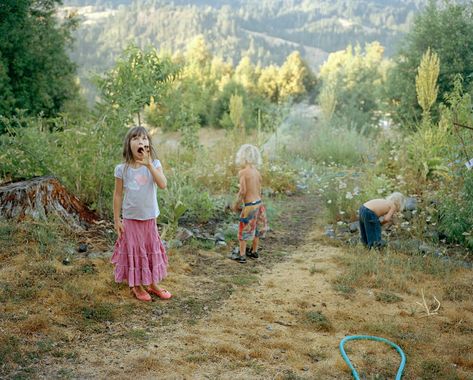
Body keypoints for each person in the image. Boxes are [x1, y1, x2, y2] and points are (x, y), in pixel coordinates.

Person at [111, 125, 172, 301]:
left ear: (148, 145)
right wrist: (117, 219)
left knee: (150, 250)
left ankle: (152, 284)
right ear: (128, 144)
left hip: (149, 217)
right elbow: (117, 195)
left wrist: (150, 165)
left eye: (144, 139)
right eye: (136, 138)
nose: (141, 141)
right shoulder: (122, 169)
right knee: (135, 251)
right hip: (130, 219)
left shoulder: (154, 164)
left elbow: (162, 184)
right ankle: (136, 286)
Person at [231, 144, 268, 263]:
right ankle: (254, 251)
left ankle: (241, 255)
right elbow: (259, 189)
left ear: (242, 157)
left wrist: (236, 203)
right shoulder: (257, 172)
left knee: (244, 230)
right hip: (259, 204)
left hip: (250, 206)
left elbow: (242, 191)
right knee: (256, 229)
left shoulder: (243, 172)